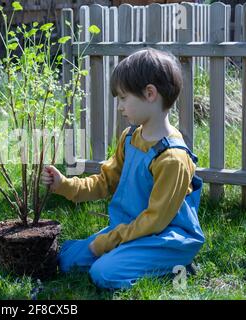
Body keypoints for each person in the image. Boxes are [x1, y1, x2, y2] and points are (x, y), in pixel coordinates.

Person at [42, 48, 205, 289]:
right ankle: (127, 256)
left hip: (166, 238)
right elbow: (105, 181)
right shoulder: (130, 138)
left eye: (123, 97)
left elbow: (155, 221)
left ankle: (175, 265)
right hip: (131, 230)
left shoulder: (173, 158)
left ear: (150, 93)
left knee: (103, 274)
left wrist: (107, 241)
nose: (120, 106)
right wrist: (65, 185)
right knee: (67, 260)